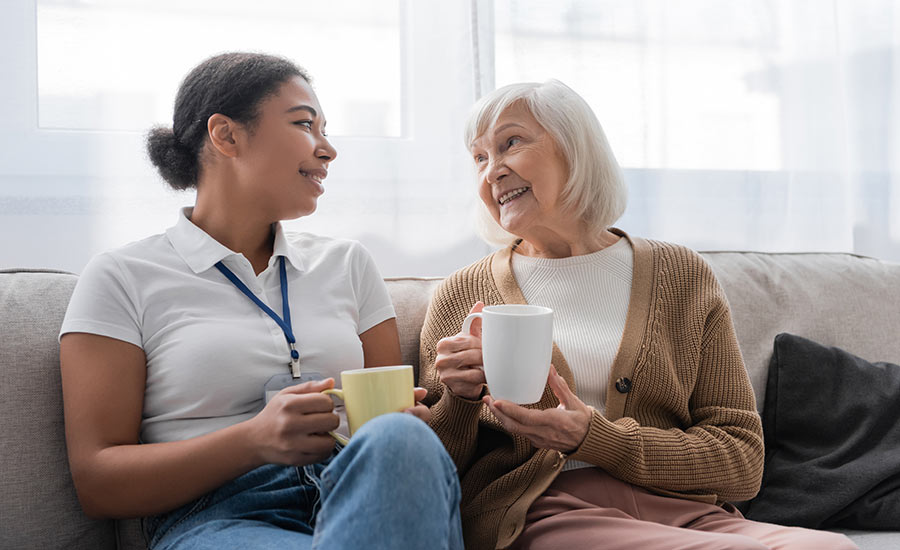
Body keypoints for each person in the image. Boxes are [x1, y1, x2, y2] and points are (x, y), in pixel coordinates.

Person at [419, 79, 857, 550]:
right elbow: (429, 475)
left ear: (575, 148)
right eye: (479, 158)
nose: (492, 172)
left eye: (511, 143)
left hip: (687, 511)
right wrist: (459, 403)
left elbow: (743, 462)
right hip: (544, 511)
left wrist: (597, 438)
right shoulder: (463, 294)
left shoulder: (682, 276)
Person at [59, 52, 463, 550]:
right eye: (304, 124)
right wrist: (251, 441)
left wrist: (408, 432)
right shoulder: (122, 277)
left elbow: (389, 422)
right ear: (226, 136)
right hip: (223, 518)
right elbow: (99, 482)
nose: (328, 149)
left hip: (364, 495)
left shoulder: (349, 265)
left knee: (401, 441)